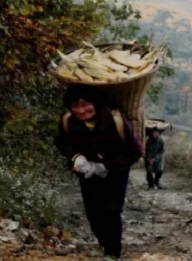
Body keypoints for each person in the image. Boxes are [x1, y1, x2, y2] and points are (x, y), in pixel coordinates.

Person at [55, 84, 143, 261]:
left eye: (86, 104)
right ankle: (103, 243)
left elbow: (135, 151)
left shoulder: (115, 120)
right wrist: (76, 157)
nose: (81, 110)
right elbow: (62, 142)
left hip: (115, 173)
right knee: (93, 211)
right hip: (86, 172)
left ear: (96, 103)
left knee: (111, 210)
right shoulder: (68, 121)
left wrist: (106, 166)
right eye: (75, 106)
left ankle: (112, 252)